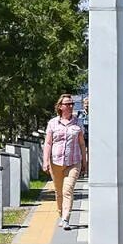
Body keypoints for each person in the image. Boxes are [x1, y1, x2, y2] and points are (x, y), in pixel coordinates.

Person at [44, 93, 87, 230]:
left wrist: (84, 162)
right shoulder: (52, 123)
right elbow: (48, 143)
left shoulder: (78, 123)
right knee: (58, 191)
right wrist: (45, 161)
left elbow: (81, 144)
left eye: (71, 104)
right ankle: (61, 213)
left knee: (68, 190)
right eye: (67, 104)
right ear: (60, 107)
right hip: (55, 162)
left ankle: (66, 218)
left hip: (73, 161)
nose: (70, 106)